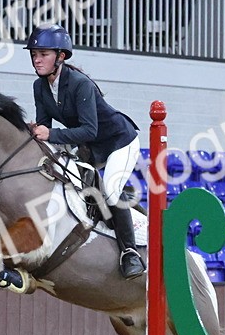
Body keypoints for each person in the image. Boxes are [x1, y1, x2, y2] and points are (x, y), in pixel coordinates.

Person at [25, 25, 145, 279]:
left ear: (61, 56)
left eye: (43, 53)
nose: (36, 59)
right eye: (34, 53)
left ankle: (130, 253)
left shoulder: (80, 84)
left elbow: (89, 130)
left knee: (111, 190)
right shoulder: (40, 87)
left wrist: (51, 134)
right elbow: (45, 126)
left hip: (119, 141)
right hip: (90, 147)